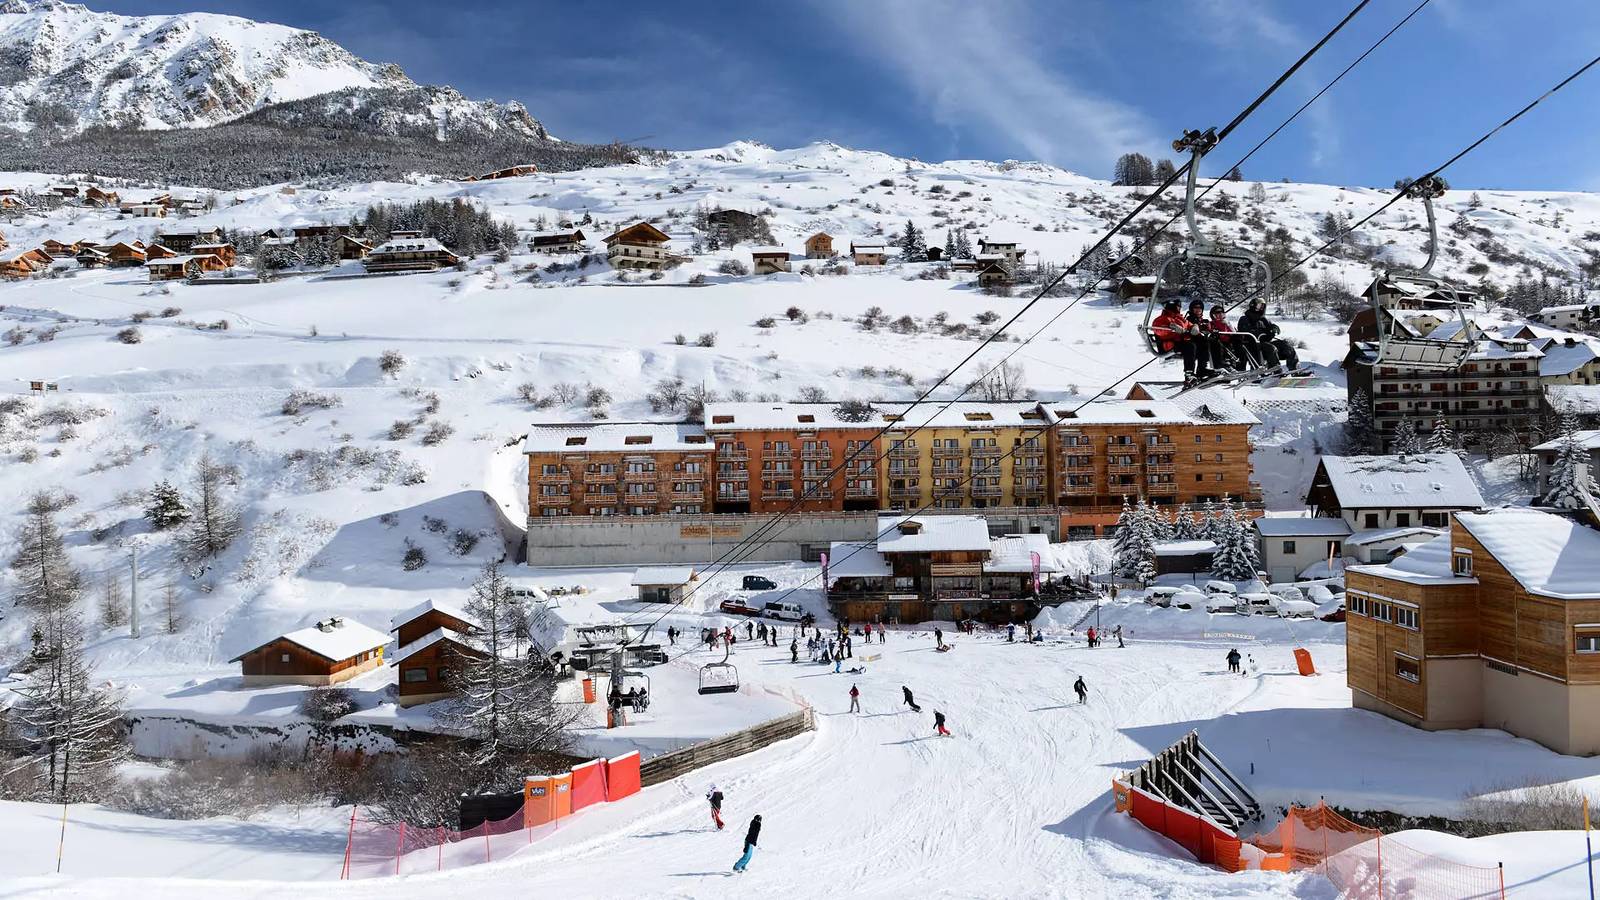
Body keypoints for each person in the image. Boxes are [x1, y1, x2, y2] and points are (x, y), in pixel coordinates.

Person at [1151, 300, 1217, 385]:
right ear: (1173, 307)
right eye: (1178, 307)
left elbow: (1189, 324)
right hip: (1169, 344)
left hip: (1181, 342)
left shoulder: (1179, 318)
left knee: (1202, 341)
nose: (1179, 308)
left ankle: (1202, 369)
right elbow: (1158, 330)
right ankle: (1189, 374)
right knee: (1190, 345)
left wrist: (1194, 326)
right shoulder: (1162, 319)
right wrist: (1170, 327)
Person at [1238, 299, 1301, 372]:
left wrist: (1273, 329)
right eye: (1259, 305)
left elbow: (1269, 331)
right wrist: (1265, 331)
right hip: (1252, 345)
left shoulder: (1263, 319)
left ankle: (1294, 369)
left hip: (1265, 343)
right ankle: (1276, 371)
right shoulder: (1244, 319)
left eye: (1263, 306)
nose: (1261, 308)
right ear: (1253, 305)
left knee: (1286, 345)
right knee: (1271, 348)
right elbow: (1247, 332)